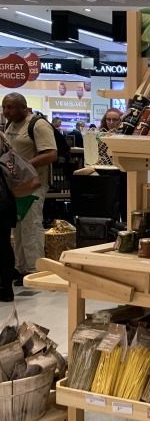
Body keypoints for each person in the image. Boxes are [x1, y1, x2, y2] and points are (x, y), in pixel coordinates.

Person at [2, 93, 56, 282]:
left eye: (10, 107)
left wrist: (24, 166)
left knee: (31, 226)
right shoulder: (10, 125)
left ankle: (35, 270)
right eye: (4, 107)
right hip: (15, 187)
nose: (6, 111)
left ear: (23, 108)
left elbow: (51, 154)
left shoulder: (38, 125)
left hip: (34, 185)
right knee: (17, 228)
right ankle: (21, 267)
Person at [0, 133, 17, 301]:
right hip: (6, 202)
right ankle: (6, 288)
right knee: (4, 244)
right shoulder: (4, 141)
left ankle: (5, 288)